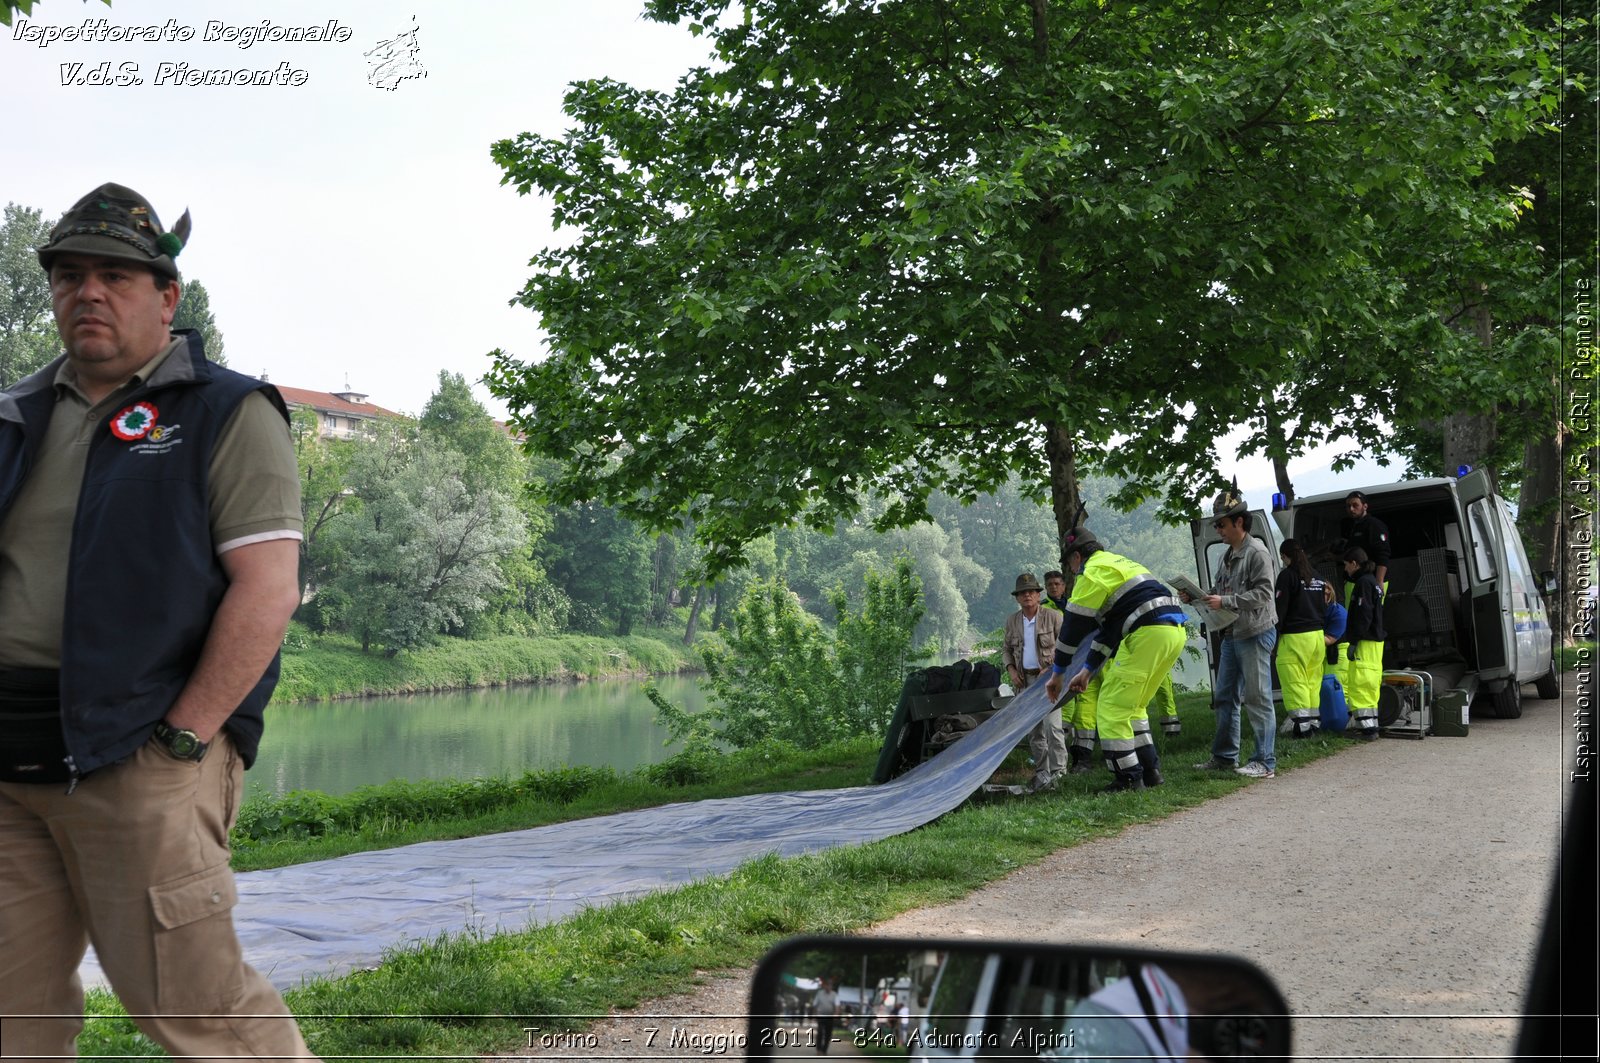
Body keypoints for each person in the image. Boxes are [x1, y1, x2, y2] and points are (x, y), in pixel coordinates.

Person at [0, 184, 315, 1059]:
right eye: (69, 275)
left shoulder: (225, 411)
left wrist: (183, 741)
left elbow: (267, 591)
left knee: (196, 1010)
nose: (87, 293)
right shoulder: (16, 413)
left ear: (165, 296)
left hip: (141, 754)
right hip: (11, 757)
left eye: (113, 275)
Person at [1044, 527, 1187, 792]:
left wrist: (1058, 674)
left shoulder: (1092, 574)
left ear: (1077, 557)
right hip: (1173, 631)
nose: (1071, 570)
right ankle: (1150, 771)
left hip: (1147, 633)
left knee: (1110, 707)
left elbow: (1072, 629)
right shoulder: (1119, 563)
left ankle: (1128, 779)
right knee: (1133, 708)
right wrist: (1086, 672)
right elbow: (1109, 632)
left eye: (1069, 563)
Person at [1184, 494, 1279, 778]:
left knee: (1257, 697)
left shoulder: (1257, 553)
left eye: (1222, 524)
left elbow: (1264, 594)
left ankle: (1265, 762)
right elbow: (1219, 591)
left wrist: (1224, 602)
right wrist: (1197, 598)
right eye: (1216, 526)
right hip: (1232, 635)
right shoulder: (1227, 556)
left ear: (1239, 521)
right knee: (1225, 696)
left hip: (1255, 633)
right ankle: (1225, 756)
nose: (1218, 530)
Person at [1002, 572, 1067, 790]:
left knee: (1054, 727)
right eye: (1022, 593)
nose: (1027, 596)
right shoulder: (1012, 621)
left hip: (1049, 680)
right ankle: (1042, 772)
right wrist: (1011, 670)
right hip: (1024, 681)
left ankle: (1060, 771)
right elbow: (1006, 650)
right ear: (1017, 598)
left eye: (1031, 592)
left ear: (1039, 595)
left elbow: (1066, 649)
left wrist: (1050, 669)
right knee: (1034, 730)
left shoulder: (1054, 617)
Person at [1275, 540, 1327, 739]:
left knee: (1295, 680)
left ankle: (1302, 728)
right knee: (1312, 681)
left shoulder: (1287, 576)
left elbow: (1281, 609)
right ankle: (1314, 723)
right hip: (1317, 637)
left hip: (1295, 638)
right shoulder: (1318, 578)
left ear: (1286, 556)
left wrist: (1274, 635)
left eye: (1282, 557)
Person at [1340, 547, 1387, 740]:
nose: (1345, 569)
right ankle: (1371, 724)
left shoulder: (1363, 584)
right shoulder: (1373, 582)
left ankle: (1367, 730)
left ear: (1354, 563)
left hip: (1365, 642)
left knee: (1360, 684)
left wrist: (1353, 640)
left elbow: (1363, 615)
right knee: (1370, 684)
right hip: (1375, 643)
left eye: (1346, 565)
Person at [1338, 490, 1391, 589]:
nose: (1351, 509)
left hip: (1371, 582)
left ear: (1365, 506)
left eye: (1355, 505)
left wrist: (1379, 582)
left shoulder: (1375, 525)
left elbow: (1383, 554)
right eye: (1348, 506)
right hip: (1354, 581)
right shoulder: (1352, 526)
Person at [813, 976, 839, 1054]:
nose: (828, 987)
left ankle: (824, 1049)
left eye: (830, 985)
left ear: (832, 986)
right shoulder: (819, 994)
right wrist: (815, 1014)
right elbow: (815, 1004)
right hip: (821, 1015)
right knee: (820, 1031)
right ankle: (819, 1049)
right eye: (827, 985)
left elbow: (837, 1006)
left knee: (828, 1033)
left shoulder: (835, 995)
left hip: (830, 1016)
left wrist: (836, 1014)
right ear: (824, 986)